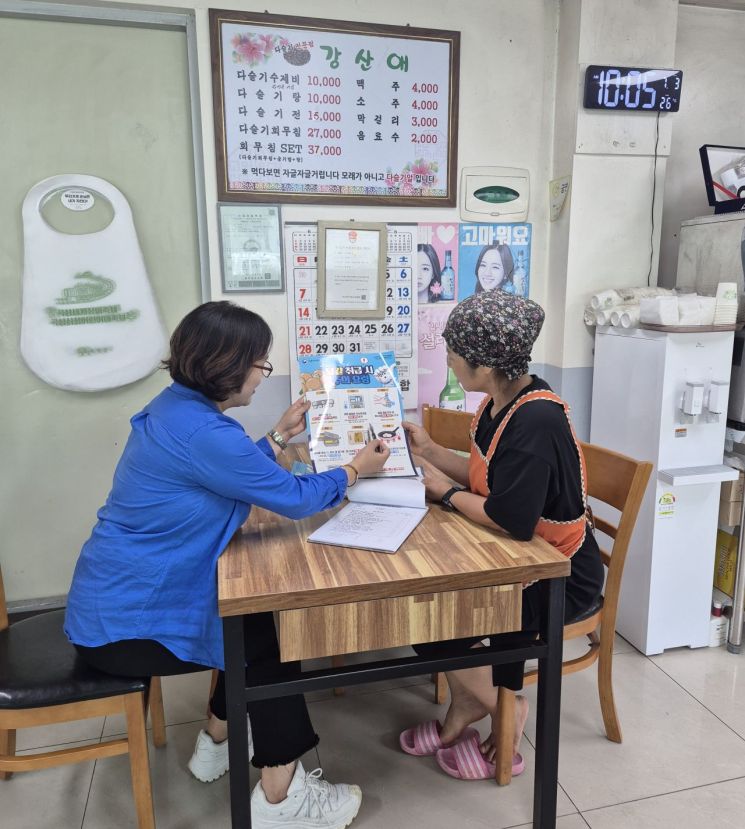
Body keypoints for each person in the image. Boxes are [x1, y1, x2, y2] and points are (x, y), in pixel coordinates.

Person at [64, 301, 390, 829]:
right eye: (260, 364)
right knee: (269, 638)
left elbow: (226, 471)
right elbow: (294, 497)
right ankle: (282, 801)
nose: (262, 376)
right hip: (126, 627)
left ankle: (216, 745)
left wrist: (279, 438)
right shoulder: (206, 433)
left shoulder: (178, 409)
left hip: (109, 604)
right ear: (226, 365)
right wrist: (355, 469)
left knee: (253, 622)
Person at [398, 290, 603, 781]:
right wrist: (430, 451)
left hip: (556, 570)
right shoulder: (500, 401)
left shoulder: (536, 421)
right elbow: (485, 474)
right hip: (517, 550)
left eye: (454, 355)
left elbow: (510, 516)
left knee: (434, 620)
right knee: (429, 612)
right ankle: (467, 708)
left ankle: (506, 710)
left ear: (485, 365)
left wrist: (444, 493)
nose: (448, 360)